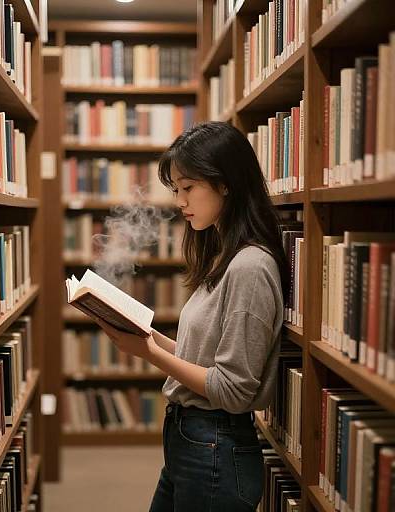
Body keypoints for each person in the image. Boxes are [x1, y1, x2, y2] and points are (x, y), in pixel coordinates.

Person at [92, 121, 289, 512]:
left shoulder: (250, 267)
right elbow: (206, 356)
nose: (180, 201)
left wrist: (149, 352)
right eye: (176, 190)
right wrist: (146, 335)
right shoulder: (223, 255)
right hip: (192, 440)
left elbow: (232, 390)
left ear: (226, 183)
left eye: (188, 188)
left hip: (214, 447)